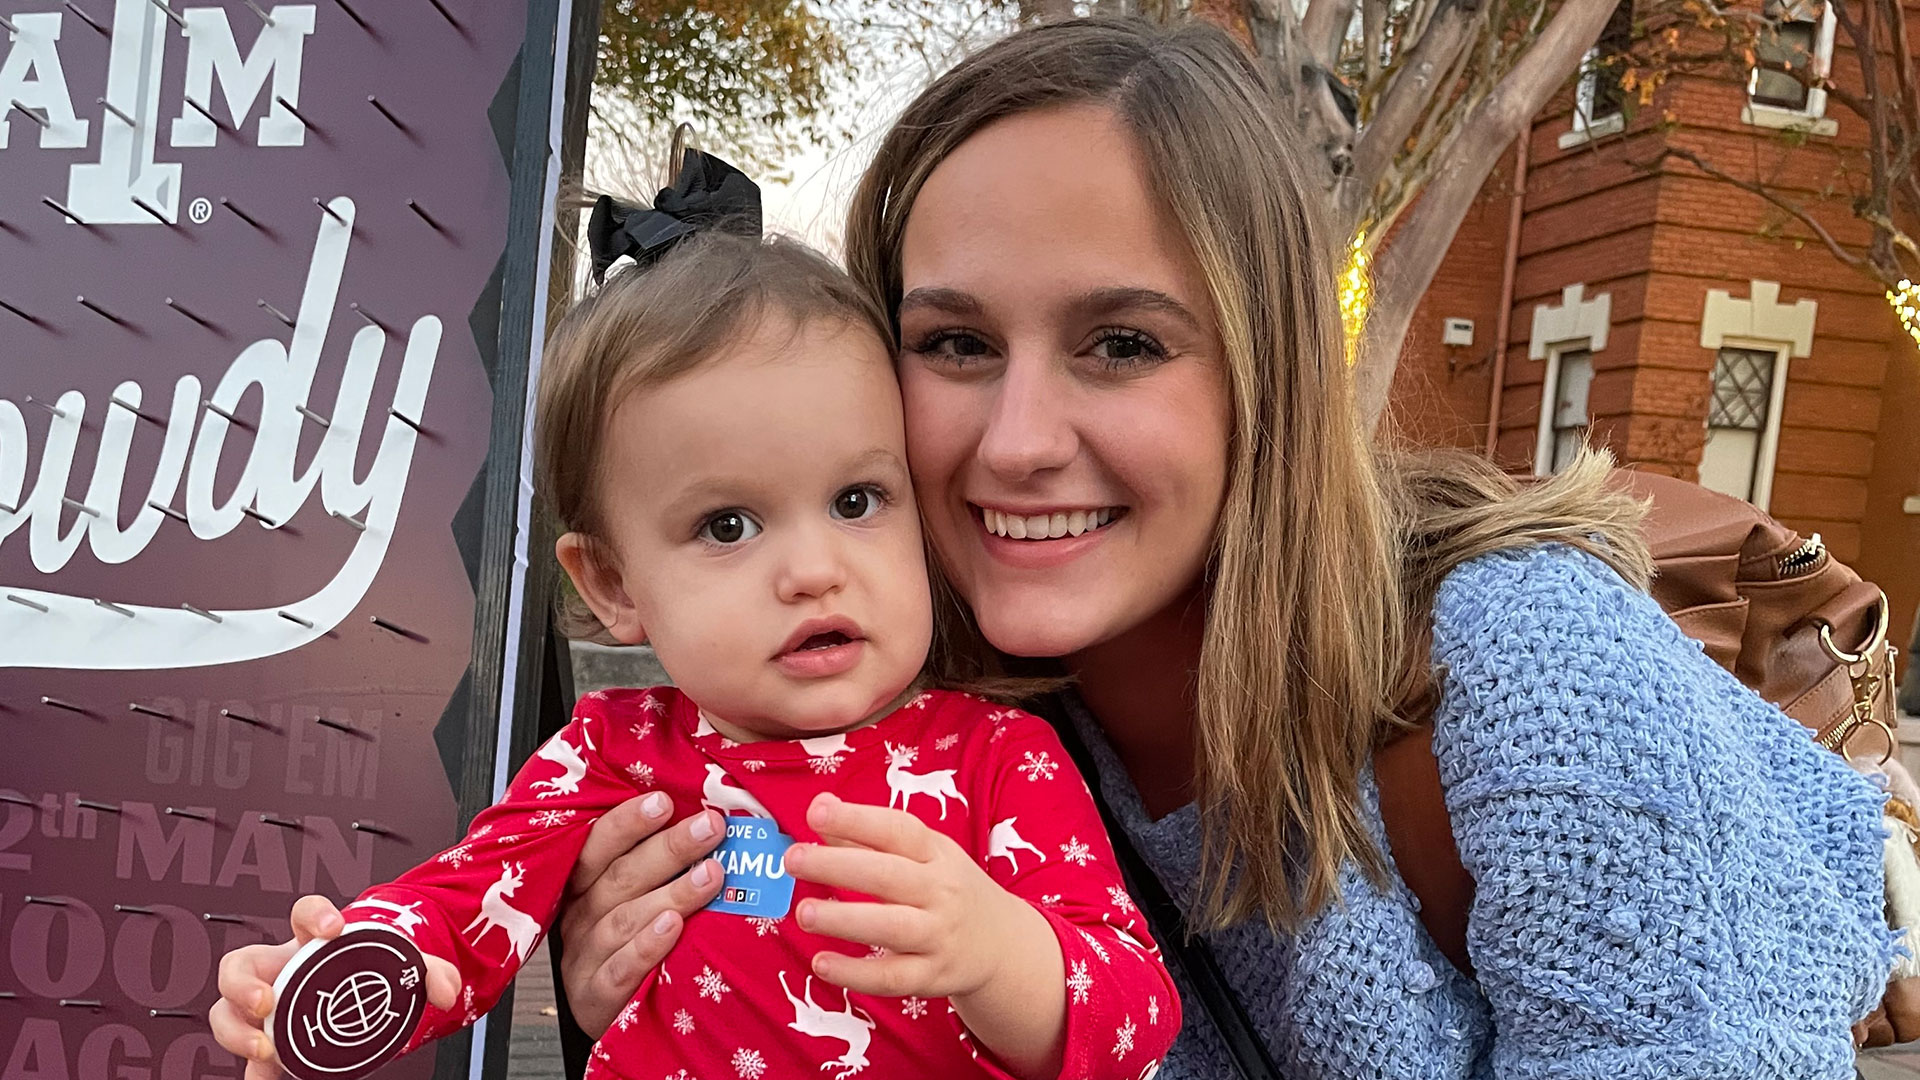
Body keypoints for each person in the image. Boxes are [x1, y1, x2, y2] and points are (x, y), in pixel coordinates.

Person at [549, 18, 1899, 1080]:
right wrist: (668, 992)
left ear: (1266, 382)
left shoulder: (1523, 671)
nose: (1018, 440)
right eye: (955, 343)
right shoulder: (901, 719)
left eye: (1122, 345)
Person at [207, 155, 1177, 1080]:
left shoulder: (997, 761)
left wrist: (996, 950)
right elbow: (469, 904)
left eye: (855, 500)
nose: (812, 570)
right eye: (728, 525)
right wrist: (338, 973)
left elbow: (1137, 1017)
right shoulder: (610, 759)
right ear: (615, 586)